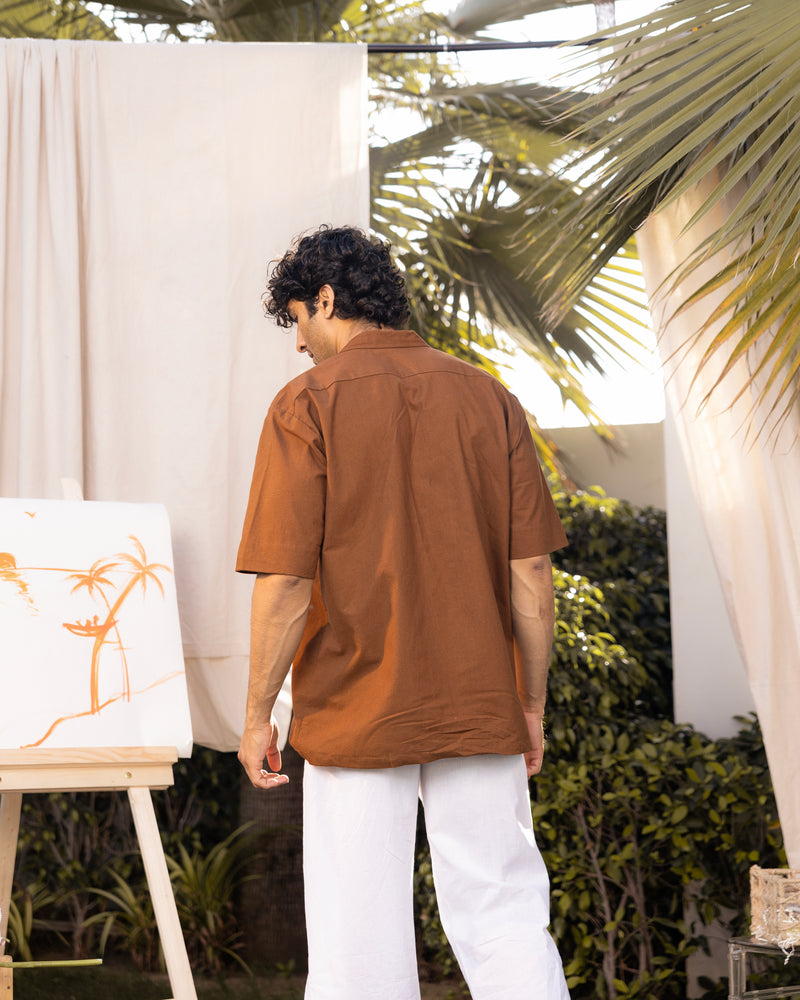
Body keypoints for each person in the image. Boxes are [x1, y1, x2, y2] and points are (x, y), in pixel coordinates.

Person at [236, 225, 571, 1000]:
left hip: (354, 707)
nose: (299, 344)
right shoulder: (490, 399)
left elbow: (284, 585)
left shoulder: (305, 406)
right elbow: (531, 575)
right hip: (477, 700)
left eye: (298, 320)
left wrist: (258, 714)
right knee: (505, 915)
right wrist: (529, 702)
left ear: (326, 299)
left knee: (358, 934)